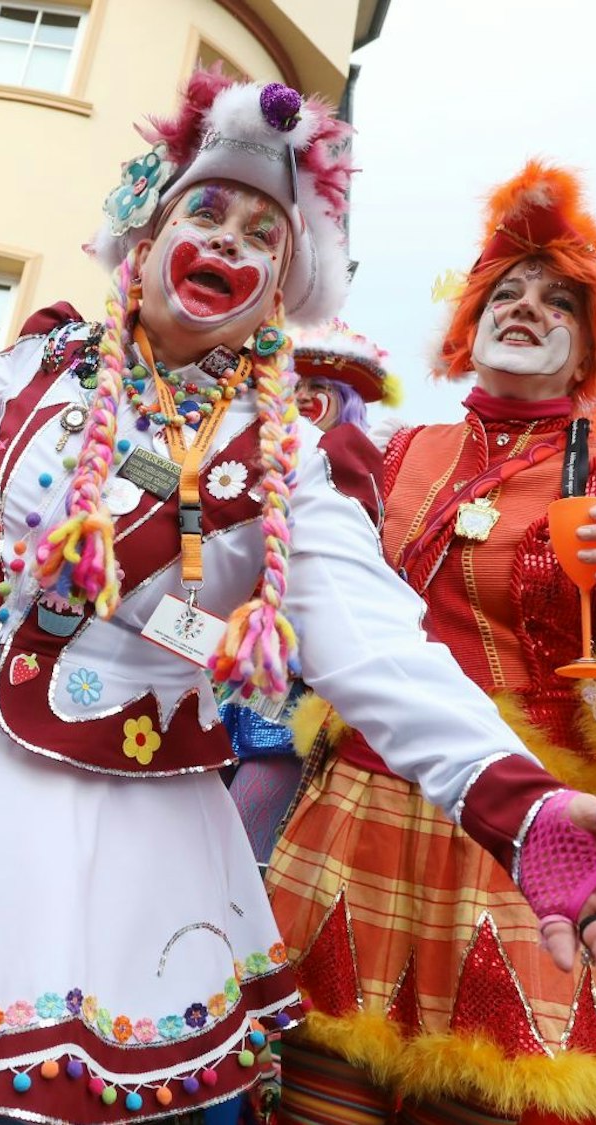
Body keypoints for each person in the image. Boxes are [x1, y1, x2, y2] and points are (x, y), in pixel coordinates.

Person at [0, 72, 596, 1125]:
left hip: (88, 807)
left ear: (279, 288)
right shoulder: (51, 359)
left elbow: (368, 644)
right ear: (148, 236)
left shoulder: (289, 457)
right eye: (206, 212)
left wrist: (518, 805)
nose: (228, 241)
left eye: (262, 235)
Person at [265, 162, 596, 1125]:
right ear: (468, 324)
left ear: (589, 349)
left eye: (556, 299)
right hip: (360, 809)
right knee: (316, 1104)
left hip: (535, 833)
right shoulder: (391, 455)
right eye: (506, 293)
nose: (524, 307)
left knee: (479, 1105)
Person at [225, 319, 398, 863]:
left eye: (315, 390)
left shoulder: (357, 466)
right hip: (220, 661)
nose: (298, 399)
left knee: (239, 844)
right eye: (292, 387)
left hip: (292, 680)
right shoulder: (239, 450)